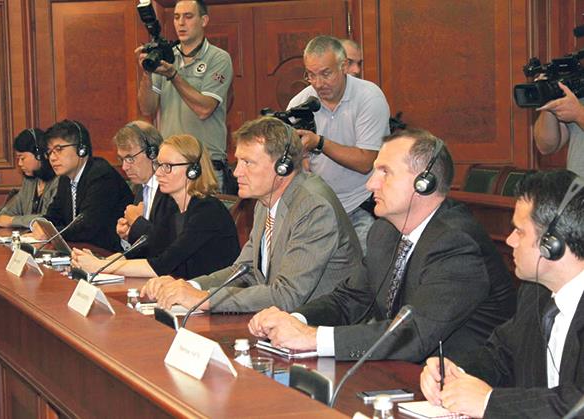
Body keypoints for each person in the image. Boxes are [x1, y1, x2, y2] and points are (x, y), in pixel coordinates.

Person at [248, 128, 516, 363]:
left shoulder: (457, 243)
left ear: (424, 183)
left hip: (460, 384)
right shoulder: (384, 232)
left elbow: (414, 334)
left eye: (385, 172)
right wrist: (295, 320)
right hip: (404, 373)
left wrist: (313, 338)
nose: (370, 183)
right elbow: (349, 299)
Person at [140, 116, 362, 313]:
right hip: (281, 322)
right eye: (239, 161)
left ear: (282, 167)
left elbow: (287, 294)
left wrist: (205, 299)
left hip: (323, 327)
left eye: (248, 163)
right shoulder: (264, 202)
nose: (237, 172)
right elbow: (244, 270)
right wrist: (191, 286)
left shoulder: (313, 206)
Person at [420, 170, 584, 418]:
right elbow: (500, 356)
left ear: (553, 245)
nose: (509, 240)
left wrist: (489, 402)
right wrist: (456, 373)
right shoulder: (535, 293)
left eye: (519, 231)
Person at [71, 134, 239, 279]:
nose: (158, 173)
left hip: (211, 299)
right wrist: (101, 261)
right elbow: (149, 249)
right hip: (178, 290)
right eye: (159, 165)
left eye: (168, 166)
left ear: (193, 170)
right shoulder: (172, 207)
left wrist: (100, 266)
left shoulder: (207, 211)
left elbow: (161, 265)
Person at [288, 35, 390, 253]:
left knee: (364, 269)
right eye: (311, 75)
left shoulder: (369, 97)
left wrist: (319, 143)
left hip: (363, 203)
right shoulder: (299, 104)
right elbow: (300, 167)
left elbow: (366, 162)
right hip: (320, 208)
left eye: (326, 74)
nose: (318, 84)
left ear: (343, 67)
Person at [136, 0, 234, 192]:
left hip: (204, 166)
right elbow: (147, 108)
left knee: (206, 213)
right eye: (176, 17)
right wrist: (147, 73)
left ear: (204, 20)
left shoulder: (218, 58)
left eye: (188, 16)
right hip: (170, 164)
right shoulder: (165, 56)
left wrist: (173, 75)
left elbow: (205, 109)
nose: (181, 23)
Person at [30, 120, 133, 252]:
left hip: (111, 254)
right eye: (49, 152)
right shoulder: (65, 179)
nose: (52, 158)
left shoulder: (101, 175)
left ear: (81, 149)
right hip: (85, 251)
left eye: (59, 149)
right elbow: (54, 215)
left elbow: (87, 227)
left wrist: (50, 233)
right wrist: (39, 224)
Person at [0, 128, 59, 228]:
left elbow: (48, 218)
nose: (20, 163)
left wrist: (12, 221)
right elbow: (12, 210)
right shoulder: (30, 181)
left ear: (39, 155)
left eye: (22, 158)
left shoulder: (60, 181)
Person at [112, 121, 172, 258]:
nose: (124, 167)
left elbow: (168, 245)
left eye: (130, 158)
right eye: (122, 159)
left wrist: (136, 223)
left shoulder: (171, 191)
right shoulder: (141, 189)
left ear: (153, 153)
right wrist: (127, 237)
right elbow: (144, 246)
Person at [534, 81, 584, 177]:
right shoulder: (578, 87)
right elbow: (546, 147)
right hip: (577, 183)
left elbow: (578, 113)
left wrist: (578, 114)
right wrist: (550, 94)